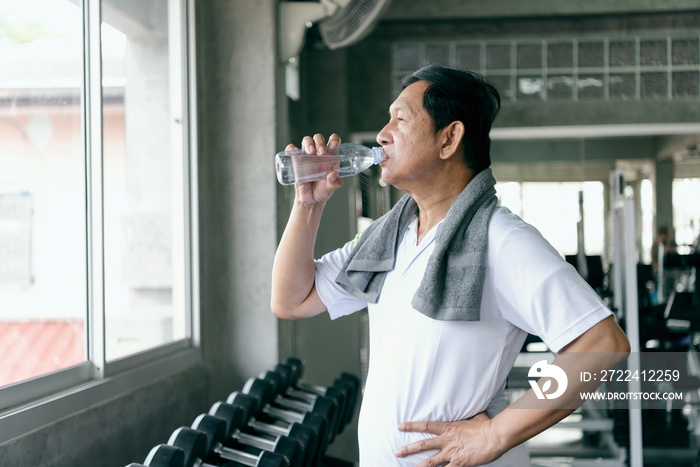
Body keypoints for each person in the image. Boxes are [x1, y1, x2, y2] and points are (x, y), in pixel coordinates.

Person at [271, 65, 630, 466]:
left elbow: (602, 346)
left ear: (449, 139)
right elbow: (292, 300)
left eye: (401, 119)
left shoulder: (502, 239)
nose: (382, 134)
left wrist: (496, 434)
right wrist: (308, 203)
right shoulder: (389, 239)